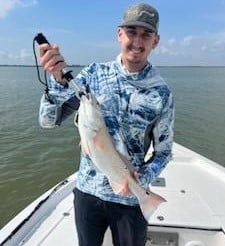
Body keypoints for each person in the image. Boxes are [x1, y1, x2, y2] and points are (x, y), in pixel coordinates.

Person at [38, 3, 174, 246]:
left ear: (156, 41)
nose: (138, 41)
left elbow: (164, 152)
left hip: (130, 200)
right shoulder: (93, 75)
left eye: (146, 34)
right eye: (132, 31)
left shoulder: (161, 93)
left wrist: (140, 180)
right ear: (119, 34)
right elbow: (47, 122)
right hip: (88, 194)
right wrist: (57, 81)